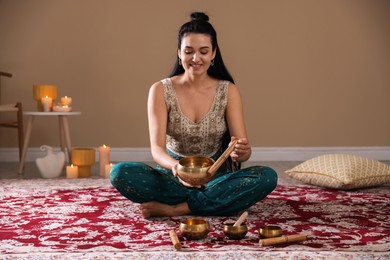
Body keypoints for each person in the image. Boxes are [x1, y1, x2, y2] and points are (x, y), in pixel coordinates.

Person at [110, 12, 277, 219]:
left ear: (214, 53)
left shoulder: (228, 90)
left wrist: (241, 152)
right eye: (189, 51)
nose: (196, 59)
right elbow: (157, 150)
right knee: (120, 173)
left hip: (216, 177)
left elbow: (242, 153)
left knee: (267, 177)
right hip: (173, 176)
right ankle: (212, 201)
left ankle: (177, 208)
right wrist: (176, 168)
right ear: (179, 53)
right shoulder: (160, 90)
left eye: (204, 52)